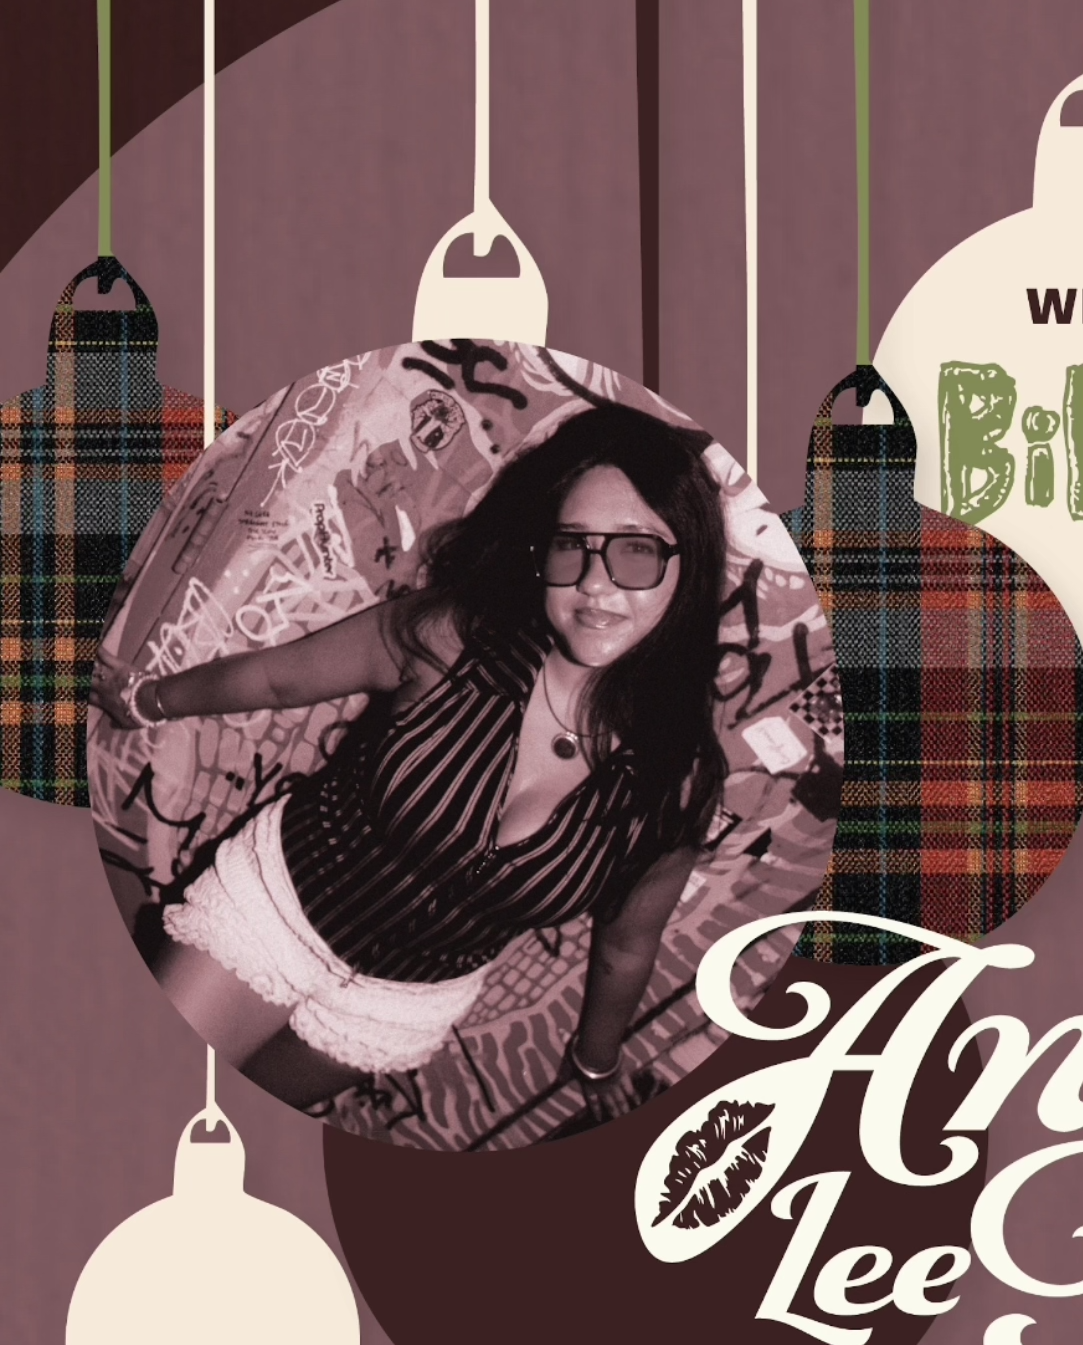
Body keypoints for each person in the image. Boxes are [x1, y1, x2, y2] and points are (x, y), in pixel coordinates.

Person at [92, 402, 729, 1119]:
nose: (595, 583)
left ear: (687, 565)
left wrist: (595, 1060)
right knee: (143, 1107)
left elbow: (625, 948)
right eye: (571, 546)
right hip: (275, 907)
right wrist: (149, 700)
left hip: (399, 1006)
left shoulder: (676, 781)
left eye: (637, 551)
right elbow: (276, 679)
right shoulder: (453, 637)